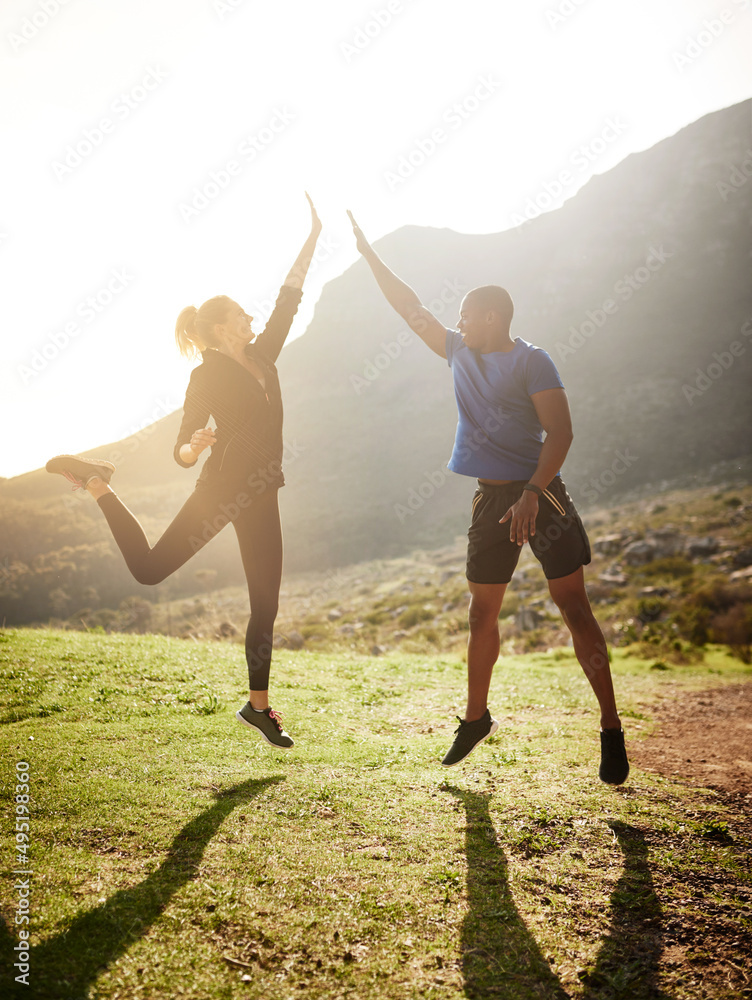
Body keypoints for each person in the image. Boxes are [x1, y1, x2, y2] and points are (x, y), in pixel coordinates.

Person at [347, 210, 628, 784]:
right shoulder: (458, 352)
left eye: (467, 315)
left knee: (574, 608)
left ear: (493, 317)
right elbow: (410, 308)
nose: (458, 323)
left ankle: (610, 726)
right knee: (482, 613)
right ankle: (476, 718)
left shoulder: (533, 360)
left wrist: (531, 493)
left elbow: (562, 433)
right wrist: (369, 254)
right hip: (490, 499)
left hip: (541, 495)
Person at [46, 194, 323, 750]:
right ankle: (98, 481)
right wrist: (193, 448)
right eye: (241, 315)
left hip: (262, 493)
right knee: (149, 570)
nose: (251, 318)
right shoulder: (207, 376)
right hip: (220, 490)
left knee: (265, 601)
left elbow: (288, 299)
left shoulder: (264, 355)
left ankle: (259, 708)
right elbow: (181, 447)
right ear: (222, 328)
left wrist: (312, 237)